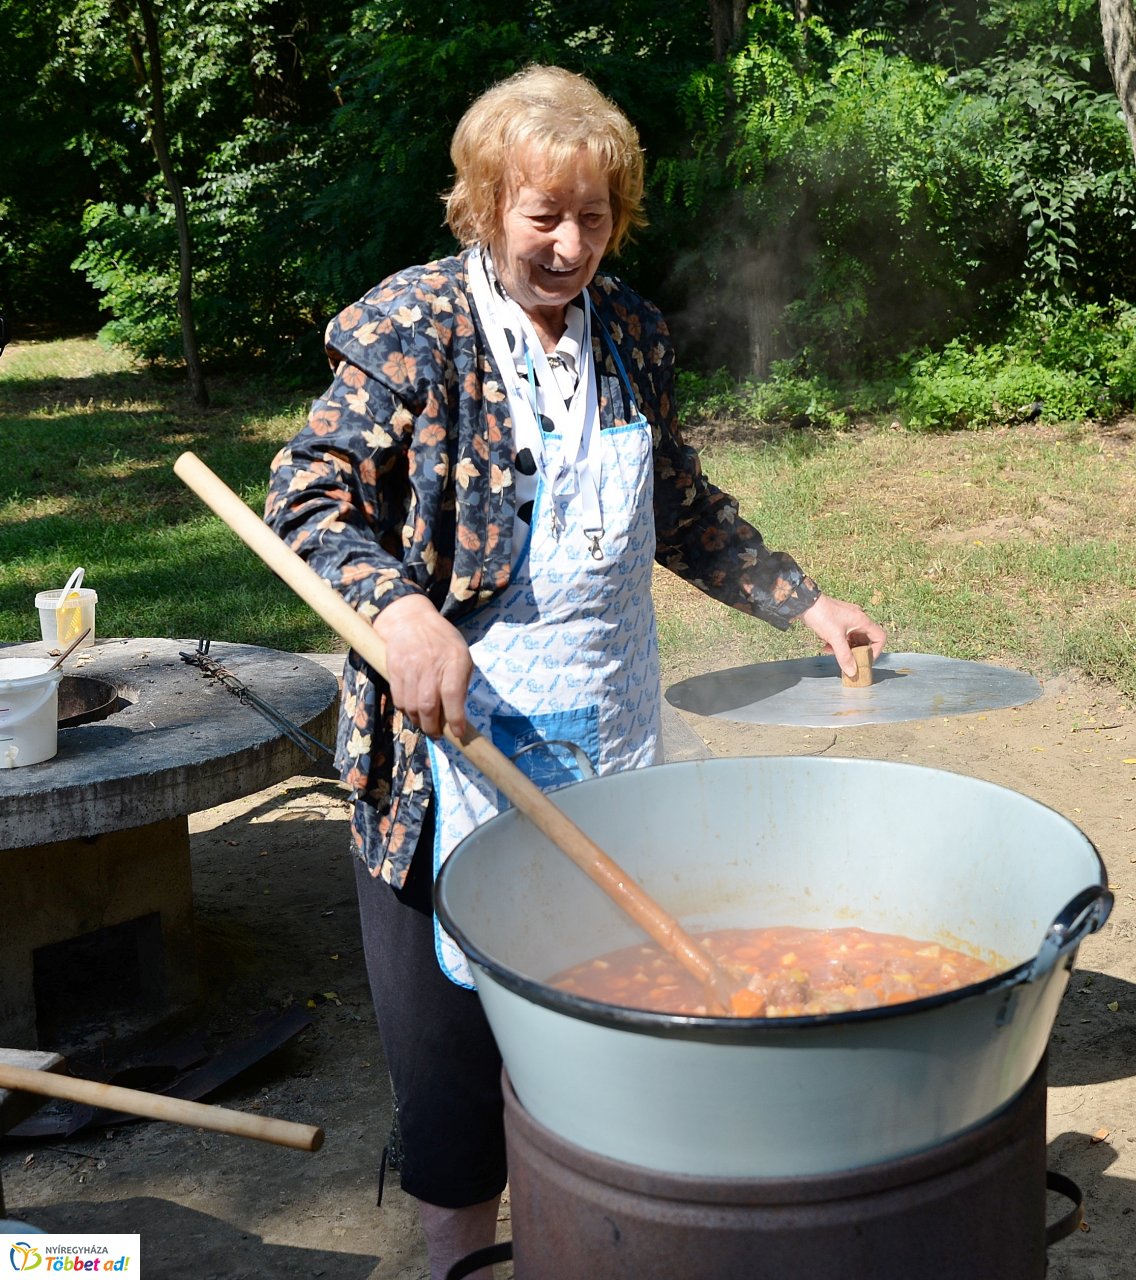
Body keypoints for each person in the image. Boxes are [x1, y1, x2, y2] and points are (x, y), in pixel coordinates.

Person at [264, 66, 883, 1278]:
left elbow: (679, 507)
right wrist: (398, 612)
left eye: (594, 216)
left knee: (608, 1029)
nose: (569, 243)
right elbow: (310, 496)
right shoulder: (415, 328)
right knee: (451, 1066)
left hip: (610, 741)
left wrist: (802, 599)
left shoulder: (631, 334)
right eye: (543, 214)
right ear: (485, 203)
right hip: (450, 760)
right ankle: (459, 1263)